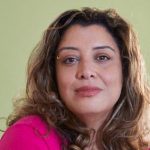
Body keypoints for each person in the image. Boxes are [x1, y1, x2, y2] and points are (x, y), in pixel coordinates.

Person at [0, 7, 150, 150]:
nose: (86, 71)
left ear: (125, 70)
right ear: (53, 73)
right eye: (70, 59)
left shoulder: (141, 144)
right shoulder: (28, 137)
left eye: (102, 57)